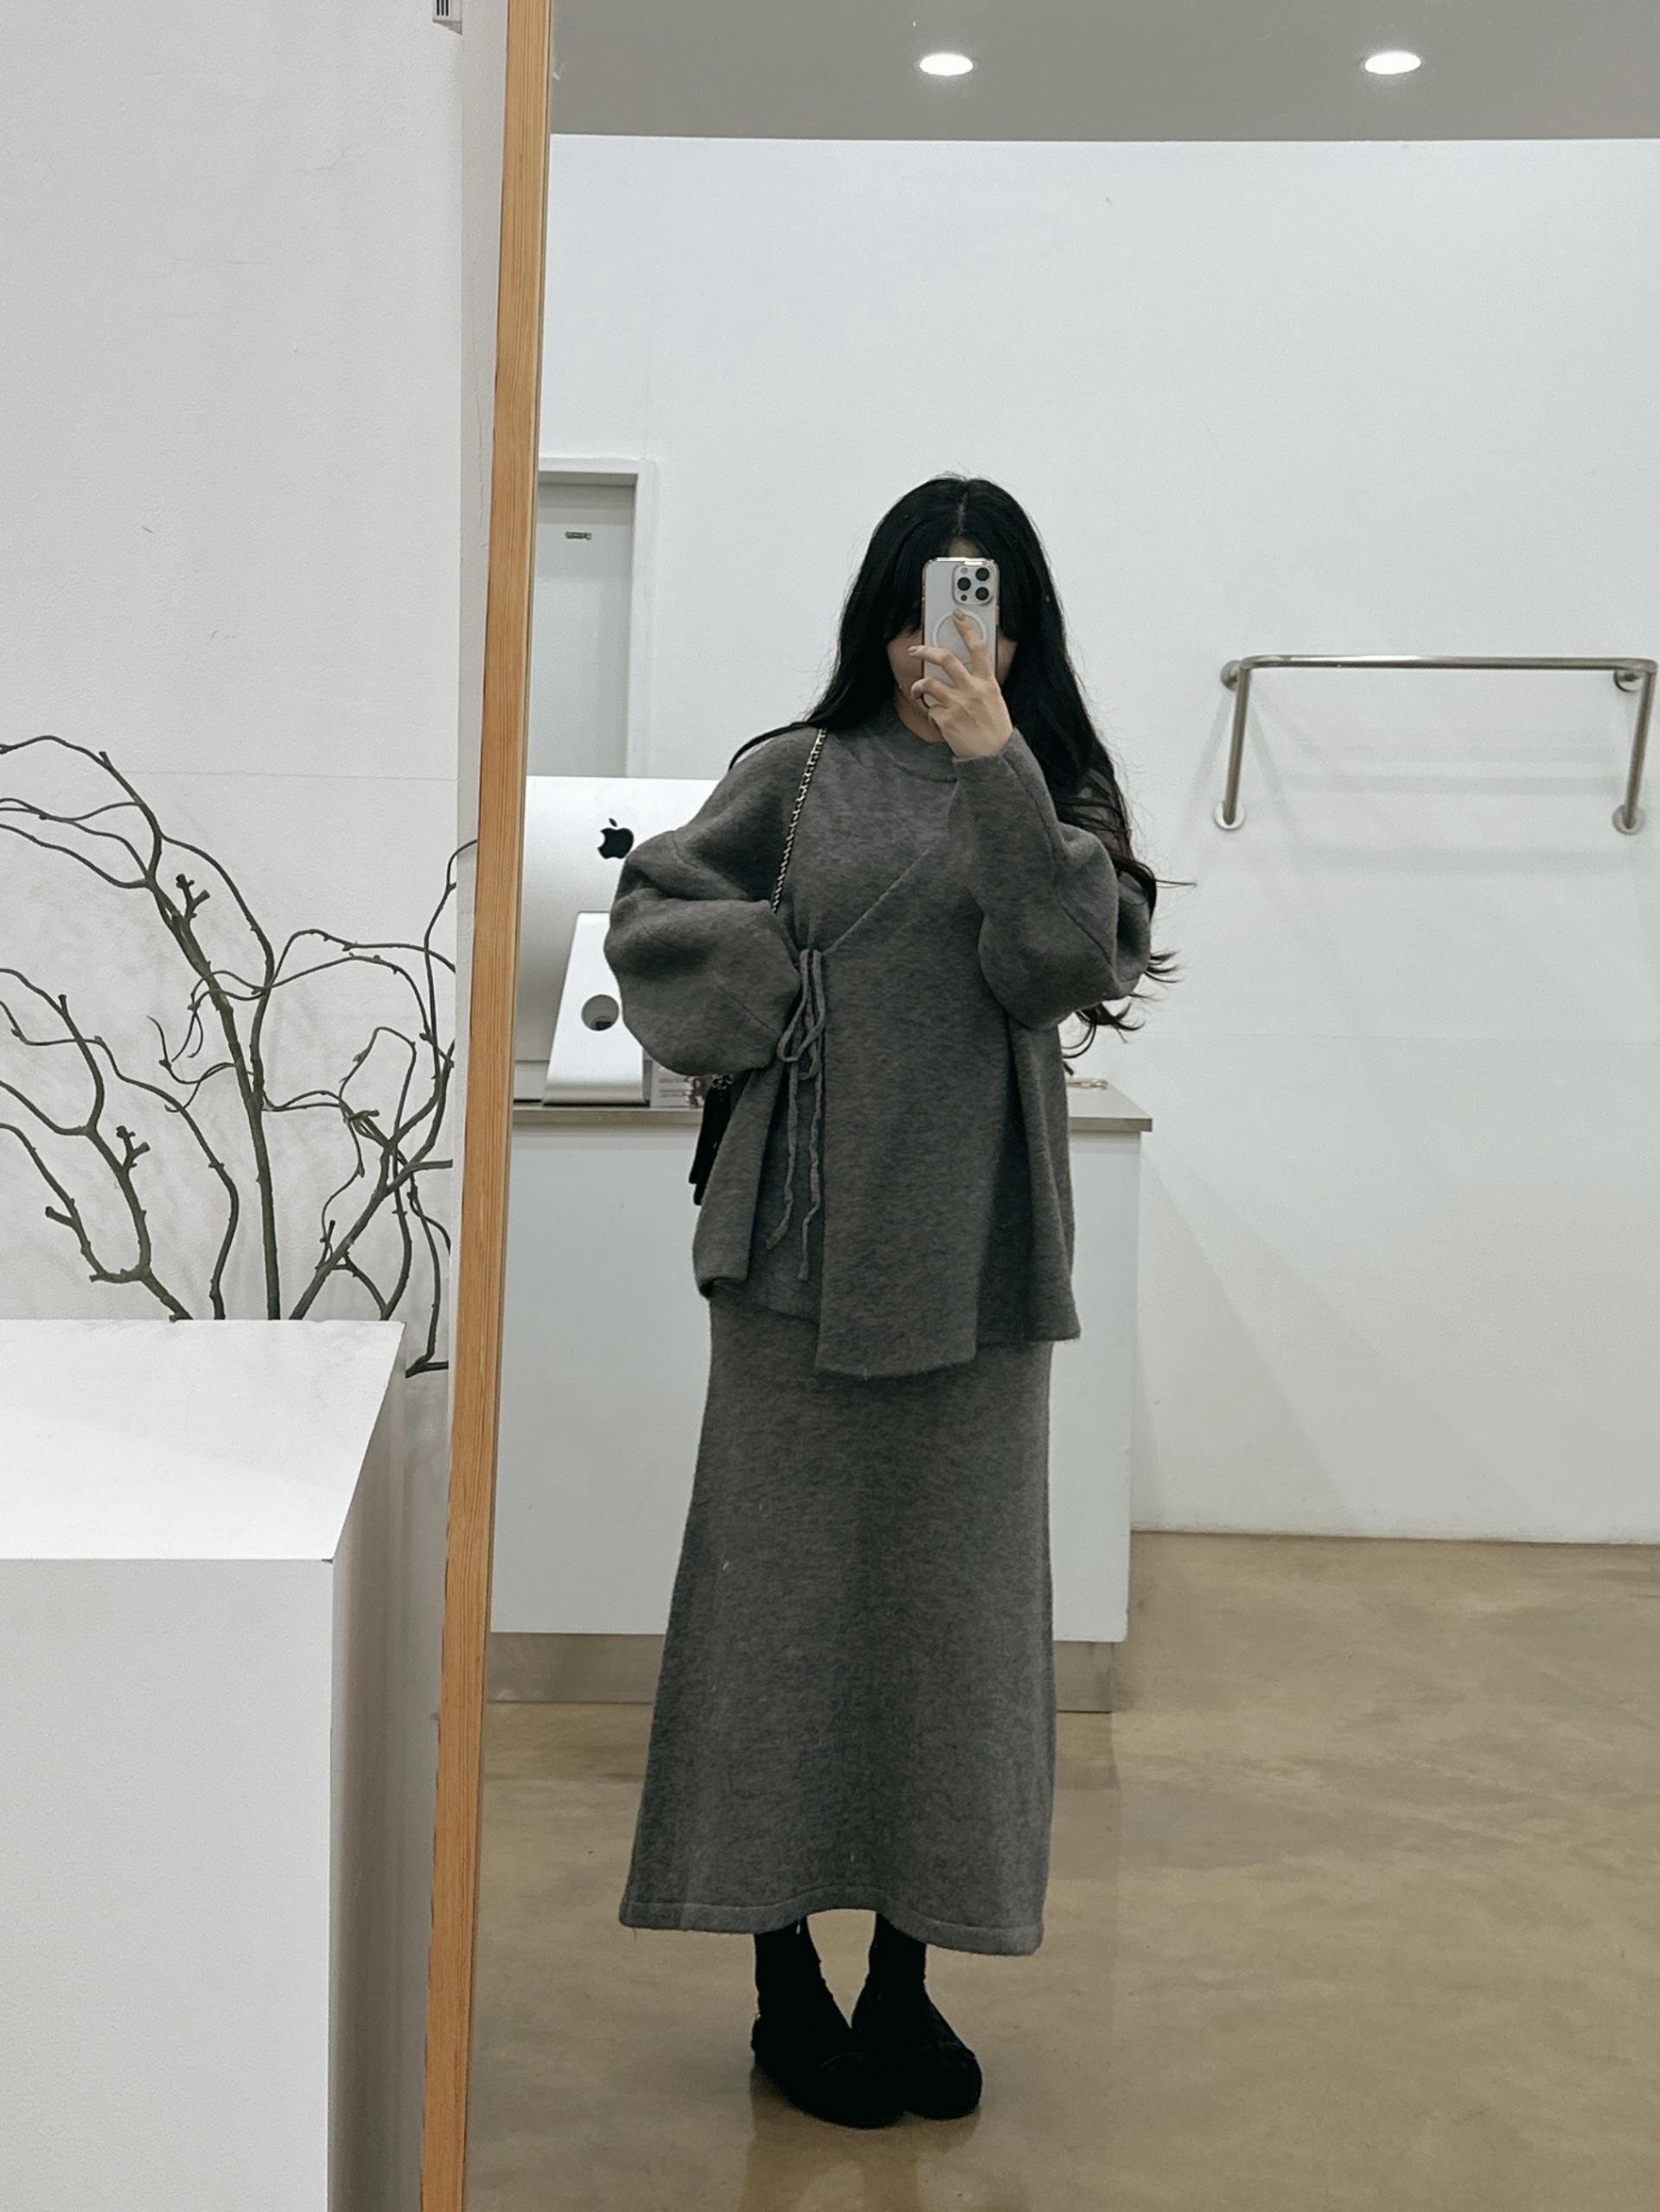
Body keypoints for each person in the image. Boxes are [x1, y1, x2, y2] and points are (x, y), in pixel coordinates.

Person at [603, 475, 1170, 2130]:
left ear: (1019, 624)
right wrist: (779, 994)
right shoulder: (793, 772)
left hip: (979, 1263)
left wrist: (997, 764)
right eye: (933, 596)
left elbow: (1061, 964)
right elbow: (656, 913)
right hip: (795, 1250)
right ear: (886, 611)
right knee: (774, 1623)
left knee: (952, 1635)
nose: (953, 633)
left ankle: (908, 1977)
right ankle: (781, 1976)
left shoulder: (1054, 790)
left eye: (982, 600)